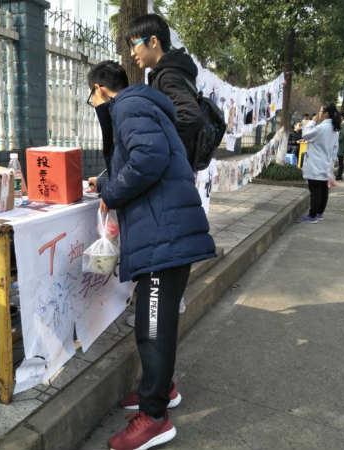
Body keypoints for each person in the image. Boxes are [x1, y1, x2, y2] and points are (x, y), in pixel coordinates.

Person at [86, 61, 215, 450]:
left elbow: (148, 158)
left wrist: (111, 194)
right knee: (158, 323)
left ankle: (155, 417)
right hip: (166, 231)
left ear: (99, 89)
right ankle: (162, 389)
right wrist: (106, 182)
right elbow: (136, 158)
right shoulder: (142, 105)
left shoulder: (127, 106)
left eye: (92, 99)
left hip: (164, 235)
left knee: (152, 328)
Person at [126, 13, 204, 169]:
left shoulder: (168, 76)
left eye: (134, 45)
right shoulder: (170, 71)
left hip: (173, 168)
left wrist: (158, 147)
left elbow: (190, 116)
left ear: (153, 41)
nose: (132, 53)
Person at [299, 103, 340, 223]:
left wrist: (312, 121)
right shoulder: (334, 129)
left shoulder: (321, 128)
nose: (319, 114)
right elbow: (335, 148)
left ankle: (312, 216)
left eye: (321, 111)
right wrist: (331, 163)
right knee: (323, 189)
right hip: (326, 163)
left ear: (326, 114)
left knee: (315, 191)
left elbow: (305, 135)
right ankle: (319, 213)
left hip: (315, 163)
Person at [336, 112, 344, 180]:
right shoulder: (343, 124)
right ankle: (339, 175)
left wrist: (335, 140)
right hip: (341, 146)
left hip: (341, 146)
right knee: (340, 161)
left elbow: (342, 135)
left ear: (342, 117)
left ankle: (339, 175)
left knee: (340, 161)